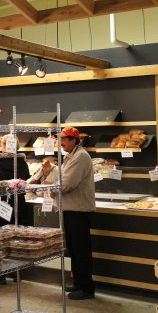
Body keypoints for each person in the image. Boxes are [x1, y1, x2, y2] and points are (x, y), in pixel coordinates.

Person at [59, 127, 95, 300]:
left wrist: (51, 187)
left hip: (79, 210)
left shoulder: (80, 157)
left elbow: (67, 184)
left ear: (74, 140)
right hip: (70, 208)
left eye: (64, 139)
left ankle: (87, 288)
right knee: (73, 249)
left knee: (81, 250)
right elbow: (62, 180)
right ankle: (78, 283)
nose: (61, 143)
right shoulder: (70, 156)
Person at [0, 134, 32, 226]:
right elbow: (26, 178)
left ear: (4, 146)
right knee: (19, 232)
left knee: (3, 234)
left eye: (1, 145)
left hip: (1, 204)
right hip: (19, 203)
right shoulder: (23, 163)